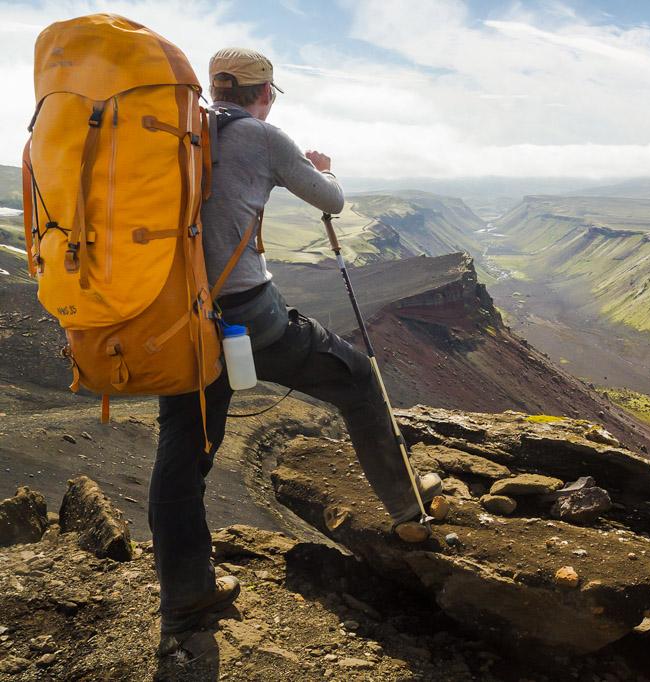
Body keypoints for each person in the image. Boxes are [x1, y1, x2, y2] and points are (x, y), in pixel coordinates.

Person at [149, 47, 441, 645]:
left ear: (211, 87)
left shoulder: (176, 131)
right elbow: (330, 200)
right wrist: (324, 168)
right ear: (264, 92)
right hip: (249, 319)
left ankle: (184, 602)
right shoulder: (262, 136)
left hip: (176, 320)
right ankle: (408, 514)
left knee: (183, 452)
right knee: (356, 378)